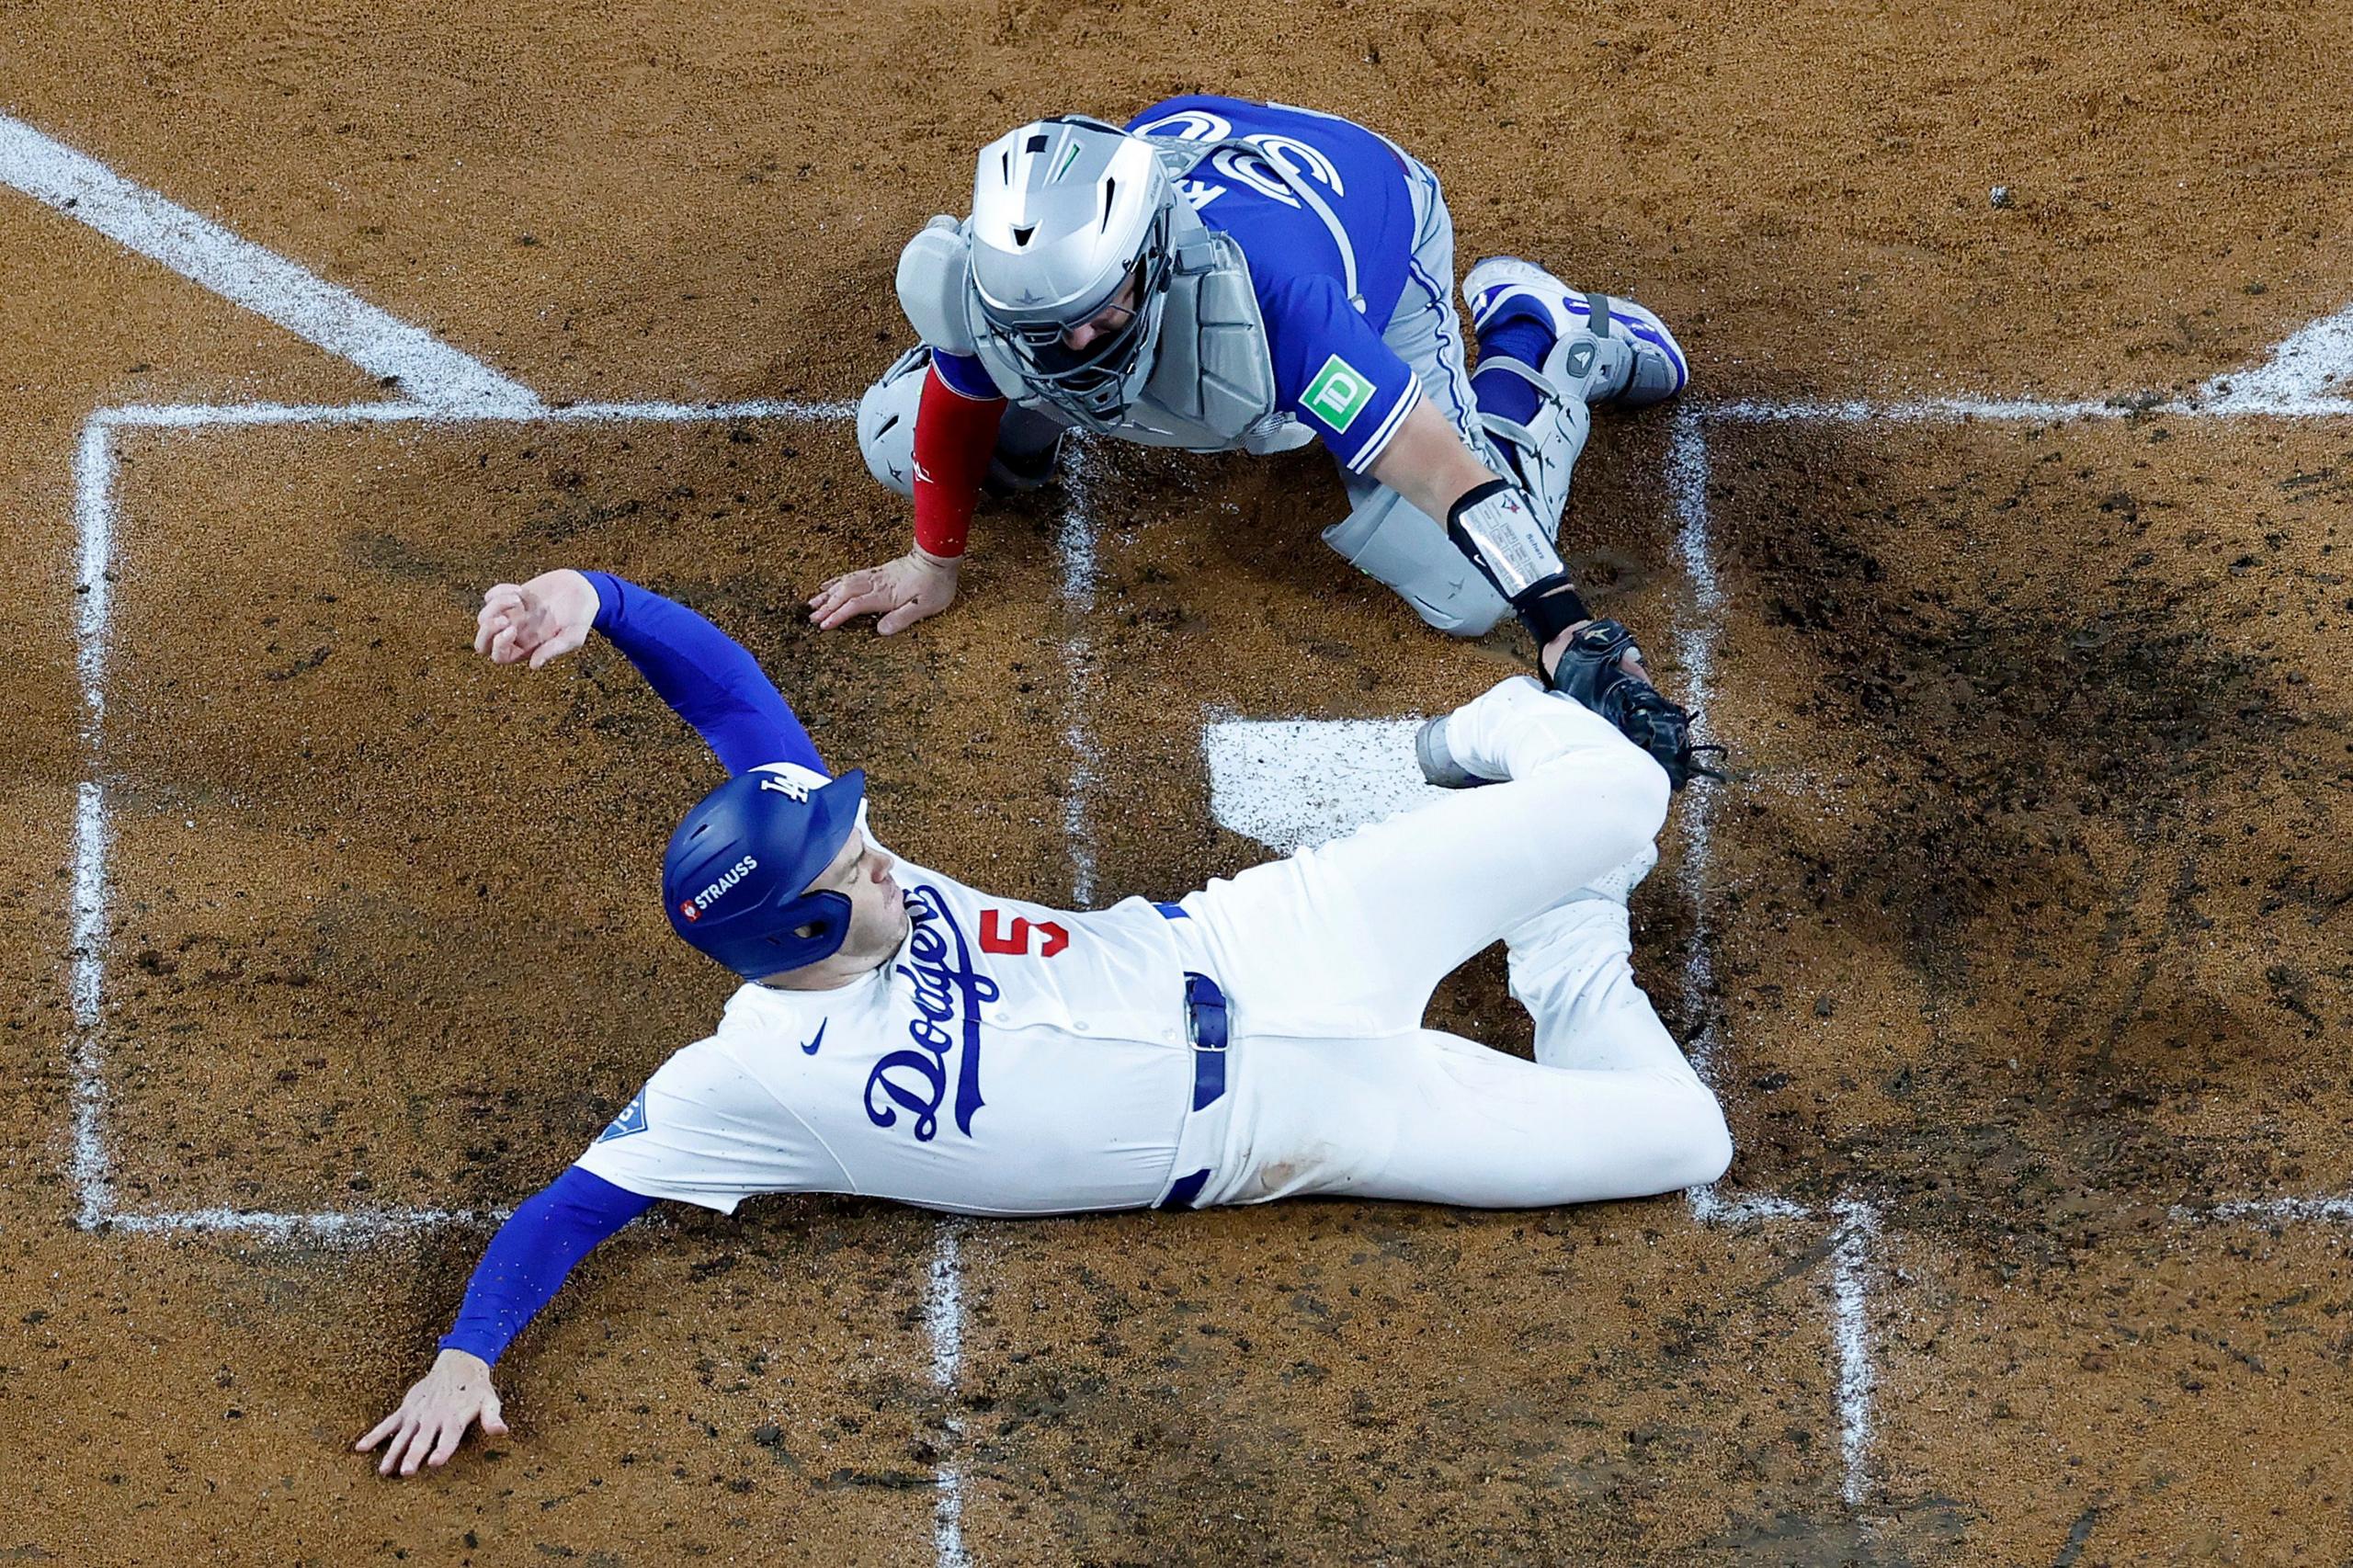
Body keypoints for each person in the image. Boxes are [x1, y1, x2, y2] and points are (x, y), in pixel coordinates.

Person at [355, 568, 1731, 1477]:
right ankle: (1570, 935)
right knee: (1688, 1137)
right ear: (805, 935)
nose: (877, 853)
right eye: (851, 870)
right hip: (1293, 1130)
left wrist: (592, 599)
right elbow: (571, 1207)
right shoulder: (742, 1084)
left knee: (1622, 784)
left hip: (1261, 943)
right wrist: (464, 1353)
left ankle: (1490, 740)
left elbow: (725, 698)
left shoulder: (821, 858)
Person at [810, 95, 1713, 788]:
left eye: (1094, 320)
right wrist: (932, 561)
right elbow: (960, 397)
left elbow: (1444, 473)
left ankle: (1539, 339)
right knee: (893, 434)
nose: (1072, 346)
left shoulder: (1281, 317)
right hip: (1192, 144)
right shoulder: (983, 283)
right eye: (1045, 327)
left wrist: (1560, 623)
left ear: (1151, 263)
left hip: (1368, 214)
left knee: (1468, 591)